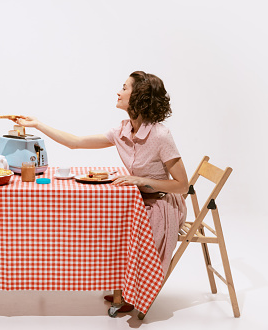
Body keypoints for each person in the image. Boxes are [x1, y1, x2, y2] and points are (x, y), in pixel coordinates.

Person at [16, 71, 188, 312]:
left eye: (124, 87)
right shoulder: (123, 130)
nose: (119, 91)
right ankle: (123, 287)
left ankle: (133, 293)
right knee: (105, 223)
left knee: (119, 227)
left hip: (162, 205)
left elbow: (182, 185)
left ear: (138, 96)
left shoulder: (160, 135)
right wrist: (37, 124)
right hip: (140, 201)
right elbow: (75, 142)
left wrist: (139, 180)